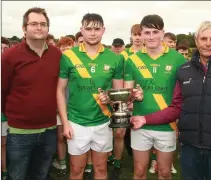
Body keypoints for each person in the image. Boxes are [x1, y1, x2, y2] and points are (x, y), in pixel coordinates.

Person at [130, 20, 211, 180]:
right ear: (196, 41)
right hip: (189, 146)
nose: (208, 44)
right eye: (203, 38)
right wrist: (145, 118)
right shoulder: (185, 70)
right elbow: (176, 107)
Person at [57, 13, 124, 180]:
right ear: (81, 30)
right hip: (76, 123)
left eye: (96, 29)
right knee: (76, 170)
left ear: (103, 30)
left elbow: (118, 94)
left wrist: (109, 98)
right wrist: (65, 123)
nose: (92, 33)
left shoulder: (115, 58)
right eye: (88, 29)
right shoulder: (68, 56)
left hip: (103, 123)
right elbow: (60, 90)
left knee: (101, 170)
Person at [2, 7, 62, 180]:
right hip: (20, 133)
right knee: (17, 175)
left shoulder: (57, 55)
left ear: (48, 28)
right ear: (24, 28)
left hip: (49, 131)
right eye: (34, 24)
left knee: (40, 174)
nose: (39, 28)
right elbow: (2, 90)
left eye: (43, 24)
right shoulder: (10, 56)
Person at [124, 14, 186, 179]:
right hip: (140, 123)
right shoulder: (132, 60)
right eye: (147, 32)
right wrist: (133, 96)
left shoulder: (178, 59)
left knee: (164, 173)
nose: (151, 37)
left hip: (167, 125)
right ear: (142, 34)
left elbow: (183, 94)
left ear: (162, 33)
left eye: (155, 32)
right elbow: (126, 96)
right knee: (139, 171)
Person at [109, 24, 144, 180]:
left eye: (139, 34)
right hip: (123, 98)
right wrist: (125, 99)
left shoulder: (148, 53)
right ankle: (117, 163)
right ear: (131, 36)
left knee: (142, 131)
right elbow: (119, 78)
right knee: (119, 132)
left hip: (142, 99)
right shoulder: (123, 55)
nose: (137, 37)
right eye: (134, 34)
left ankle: (146, 162)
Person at [51, 36, 74, 177]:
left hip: (76, 108)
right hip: (61, 107)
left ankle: (76, 163)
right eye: (63, 49)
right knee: (61, 137)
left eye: (69, 49)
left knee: (75, 137)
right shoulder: (57, 66)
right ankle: (62, 163)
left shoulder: (79, 65)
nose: (66, 52)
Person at [1, 36, 10, 180]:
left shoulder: (9, 66)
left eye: (5, 49)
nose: (2, 51)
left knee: (3, 145)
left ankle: (4, 170)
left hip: (5, 115)